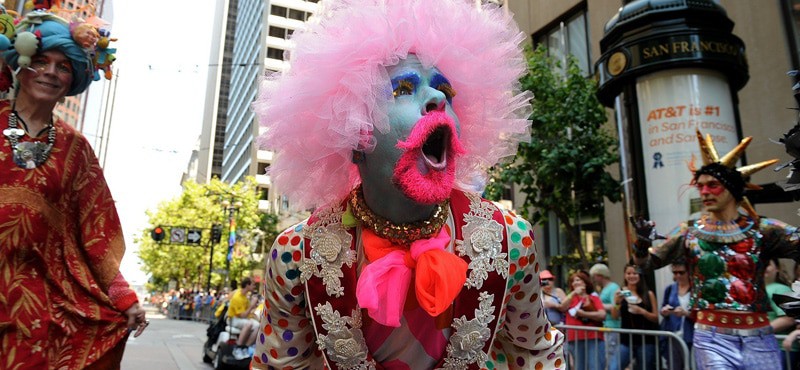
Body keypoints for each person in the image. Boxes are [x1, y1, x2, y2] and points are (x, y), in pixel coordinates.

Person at [250, 0, 565, 368]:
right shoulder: (296, 252)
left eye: (445, 91)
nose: (437, 99)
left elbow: (536, 354)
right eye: (403, 89)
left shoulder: (510, 240)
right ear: (354, 137)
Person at [0, 10, 145, 370]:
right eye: (41, 61)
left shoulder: (76, 149)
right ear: (20, 64)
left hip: (36, 307)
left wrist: (124, 298)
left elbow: (97, 232)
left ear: (74, 79)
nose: (51, 72)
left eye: (63, 66)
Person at [631, 129, 799, 370]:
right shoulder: (689, 231)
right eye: (700, 187)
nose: (705, 192)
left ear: (732, 189)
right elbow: (645, 264)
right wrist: (642, 243)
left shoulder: (762, 229)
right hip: (711, 338)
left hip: (760, 336)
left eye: (713, 185)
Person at [611, 264, 658, 370]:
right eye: (629, 273)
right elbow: (614, 316)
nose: (632, 276)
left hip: (646, 340)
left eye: (635, 273)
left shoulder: (648, 294)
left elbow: (656, 318)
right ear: (624, 275)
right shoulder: (620, 293)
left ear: (640, 275)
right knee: (614, 367)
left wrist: (642, 311)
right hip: (626, 340)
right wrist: (617, 303)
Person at [558, 270, 606, 370]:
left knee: (595, 366)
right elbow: (562, 307)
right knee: (579, 367)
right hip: (575, 338)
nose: (575, 283)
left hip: (593, 336)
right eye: (572, 281)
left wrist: (583, 314)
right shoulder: (570, 298)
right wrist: (574, 293)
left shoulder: (593, 298)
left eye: (578, 280)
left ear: (585, 282)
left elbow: (602, 314)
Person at [659, 260, 694, 370]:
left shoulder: (696, 289)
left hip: (692, 336)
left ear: (688, 272)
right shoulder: (670, 289)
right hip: (673, 335)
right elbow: (663, 307)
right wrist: (664, 311)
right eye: (675, 272)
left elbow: (702, 314)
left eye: (681, 272)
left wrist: (686, 313)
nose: (678, 275)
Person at [764, 258, 796, 369]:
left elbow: (789, 318)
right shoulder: (755, 289)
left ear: (777, 269)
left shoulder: (780, 289)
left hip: (780, 348)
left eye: (767, 264)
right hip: (764, 348)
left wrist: (758, 331)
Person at [590, 263, 622, 370]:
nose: (594, 280)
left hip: (613, 326)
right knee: (608, 354)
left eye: (594, 276)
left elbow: (616, 305)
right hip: (607, 326)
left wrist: (598, 306)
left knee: (612, 354)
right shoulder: (604, 288)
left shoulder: (613, 287)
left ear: (600, 275)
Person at [229, 277, 260, 360]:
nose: (254, 287)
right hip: (233, 319)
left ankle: (245, 348)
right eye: (253, 285)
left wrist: (253, 307)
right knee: (249, 323)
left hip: (242, 319)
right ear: (247, 285)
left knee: (258, 326)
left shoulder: (245, 296)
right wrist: (252, 306)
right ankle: (237, 347)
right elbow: (242, 316)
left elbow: (247, 313)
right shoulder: (237, 297)